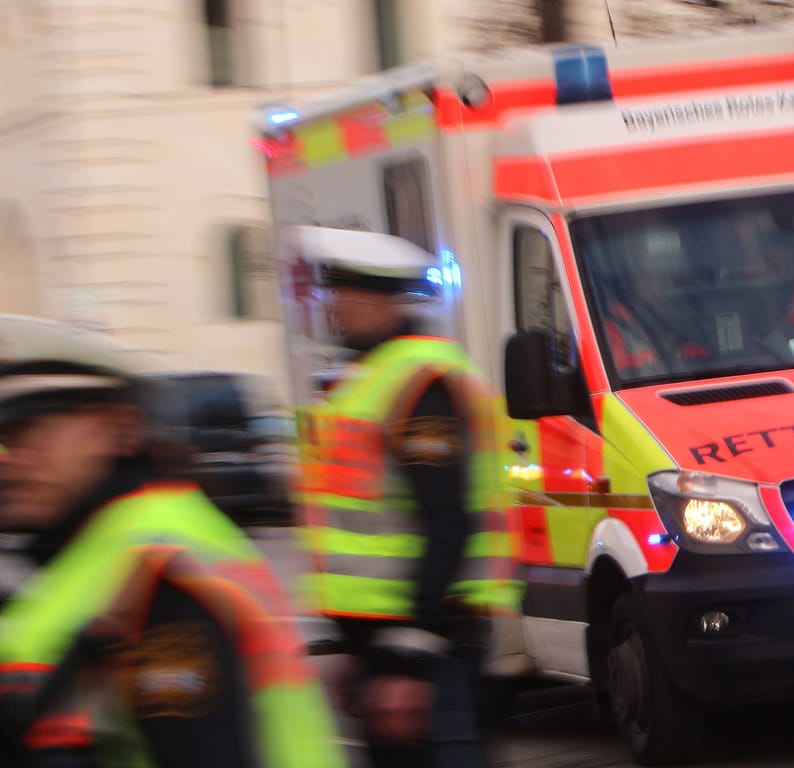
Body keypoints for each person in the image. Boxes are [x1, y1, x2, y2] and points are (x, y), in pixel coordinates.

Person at [0, 314, 344, 768]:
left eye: (30, 431)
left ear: (117, 429)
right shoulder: (81, 550)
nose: (10, 458)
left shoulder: (157, 565)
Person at [291, 227, 521, 768]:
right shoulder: (369, 378)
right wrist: (353, 649)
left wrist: (411, 658)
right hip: (388, 647)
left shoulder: (422, 384)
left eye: (344, 296)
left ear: (381, 301)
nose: (333, 308)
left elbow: (447, 522)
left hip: (431, 649)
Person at [601, 228, 709, 376]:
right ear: (637, 280)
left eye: (670, 278)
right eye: (659, 277)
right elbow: (620, 375)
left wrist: (696, 356)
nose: (668, 285)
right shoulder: (612, 329)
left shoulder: (669, 318)